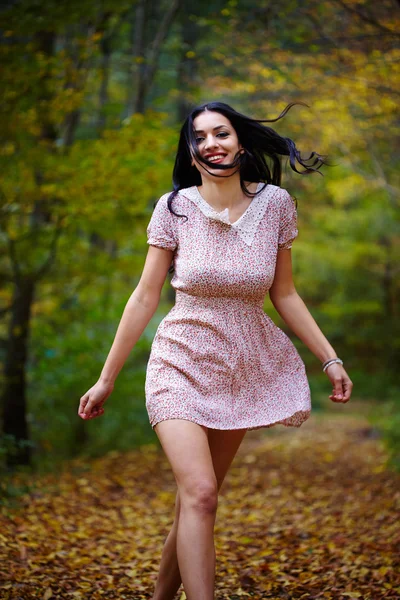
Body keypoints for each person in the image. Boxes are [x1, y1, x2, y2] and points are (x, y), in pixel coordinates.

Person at [78, 101, 353, 600]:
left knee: (197, 501)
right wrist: (106, 377)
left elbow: (285, 293)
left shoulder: (276, 206)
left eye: (220, 133)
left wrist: (329, 358)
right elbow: (145, 296)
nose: (211, 143)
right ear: (191, 150)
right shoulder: (174, 207)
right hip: (178, 359)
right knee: (201, 492)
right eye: (199, 137)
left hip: (240, 363)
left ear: (240, 142)